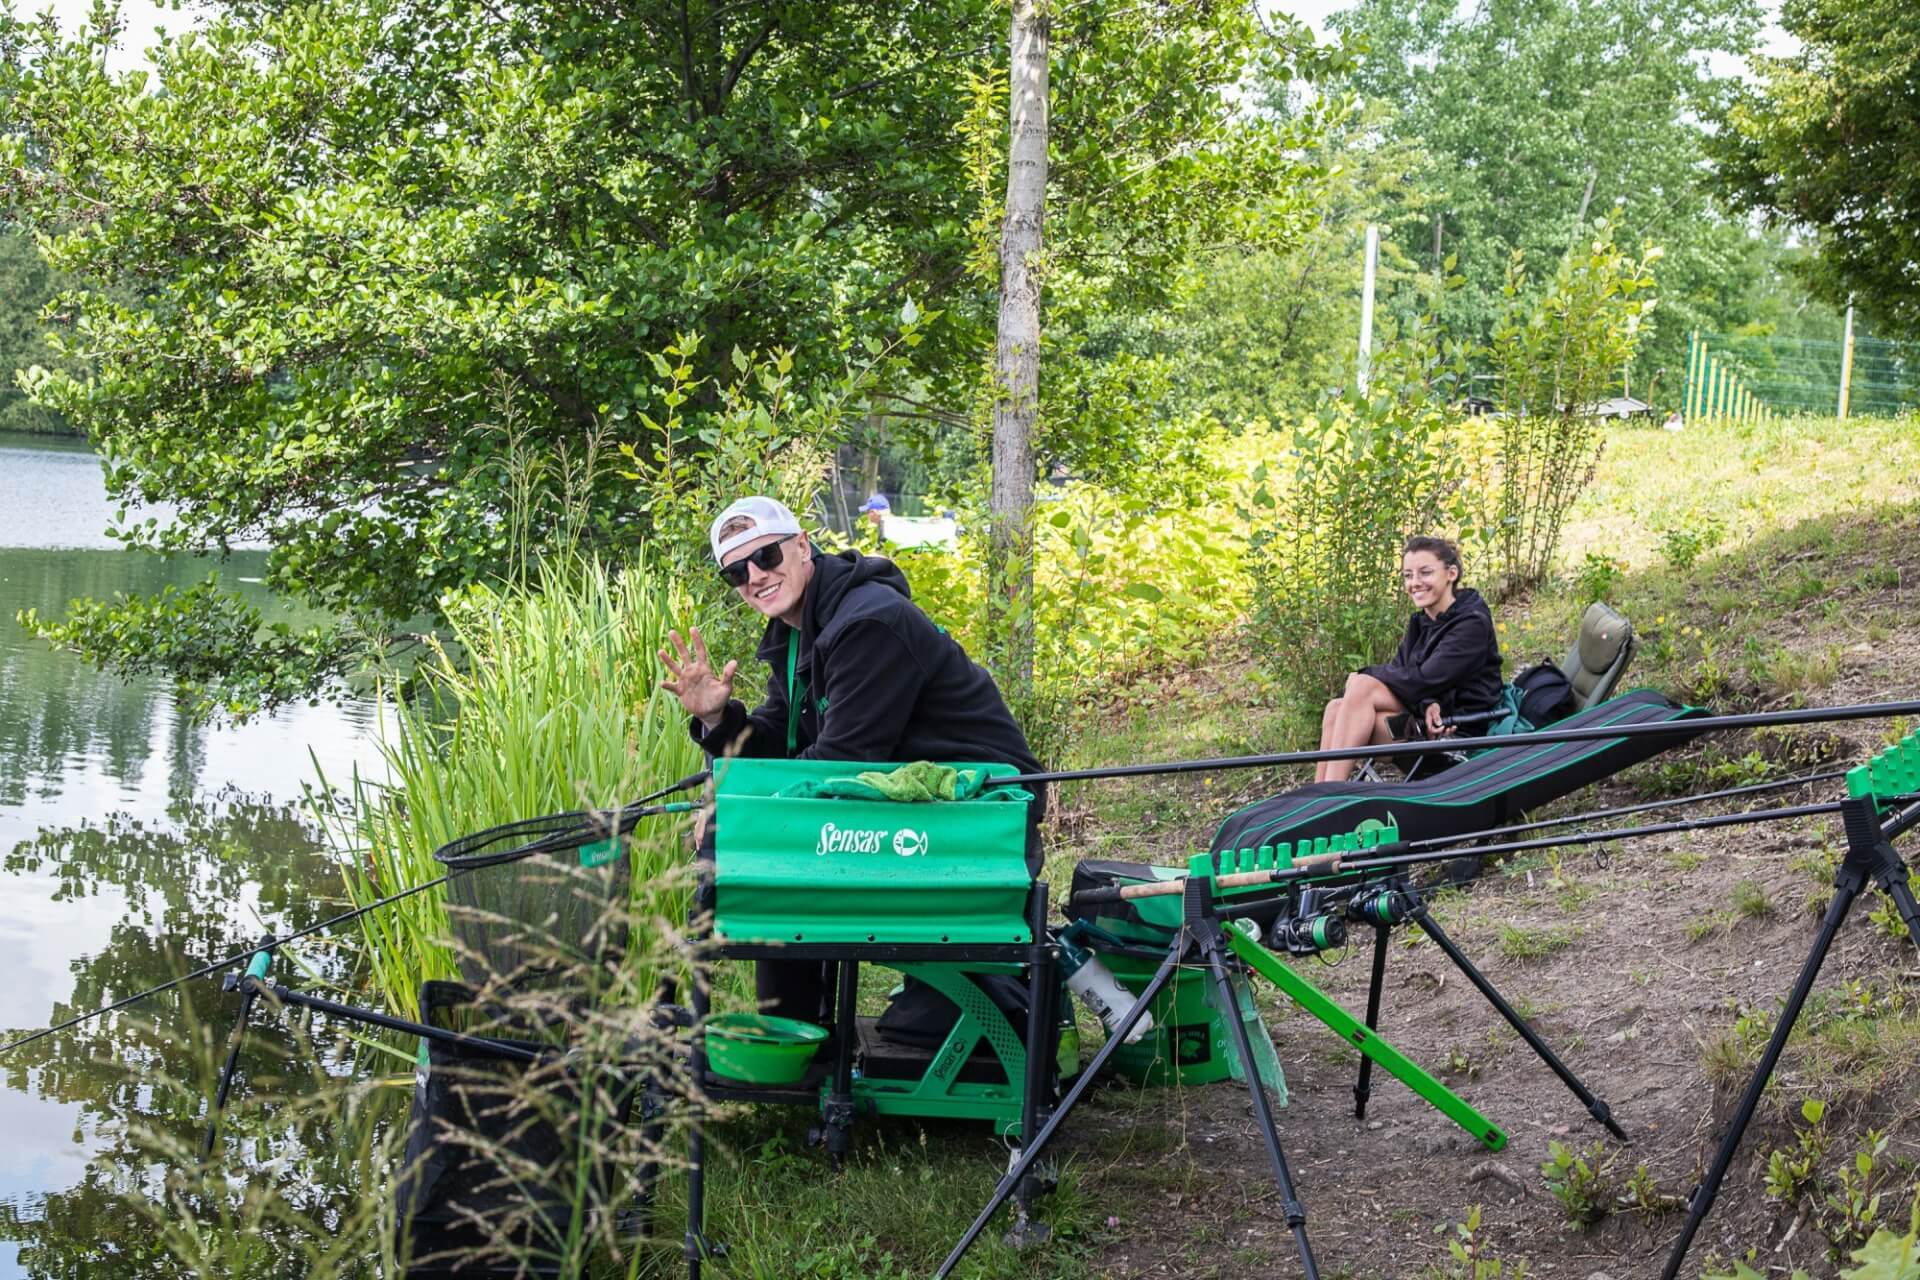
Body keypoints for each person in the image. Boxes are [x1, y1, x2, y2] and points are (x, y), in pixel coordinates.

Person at [658, 495, 1044, 1022]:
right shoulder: (799, 631)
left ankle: (792, 1028)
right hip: (910, 801)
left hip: (979, 812)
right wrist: (717, 721)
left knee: (750, 833)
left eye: (766, 556)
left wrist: (734, 810)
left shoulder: (869, 622)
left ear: (801, 546)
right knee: (751, 833)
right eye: (736, 573)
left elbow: (838, 760)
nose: (754, 576)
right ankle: (795, 1030)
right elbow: (784, 739)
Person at [1314, 535, 1503, 784]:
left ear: (1451, 573)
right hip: (1421, 724)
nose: (1415, 583)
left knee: (1362, 685)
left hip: (1457, 736)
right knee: (1335, 708)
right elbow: (1405, 674)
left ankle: (1326, 799)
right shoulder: (1422, 622)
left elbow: (1422, 680)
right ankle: (1316, 797)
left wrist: (1365, 674)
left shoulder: (1471, 623)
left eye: (1425, 573)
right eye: (1408, 575)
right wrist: (1428, 703)